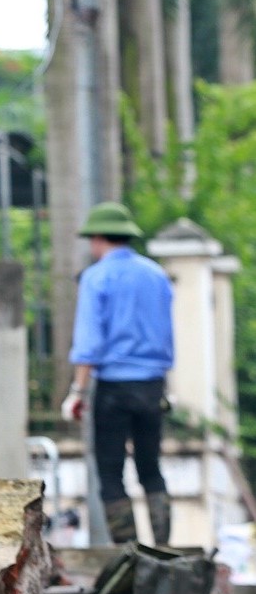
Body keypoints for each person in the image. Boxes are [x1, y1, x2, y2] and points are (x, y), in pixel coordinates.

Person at [61, 202, 174, 545]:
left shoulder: (97, 277)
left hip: (113, 386)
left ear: (97, 239)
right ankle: (164, 547)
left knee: (111, 472)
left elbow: (89, 342)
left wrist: (78, 393)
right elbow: (167, 332)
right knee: (150, 468)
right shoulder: (156, 275)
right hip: (153, 385)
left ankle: (129, 553)